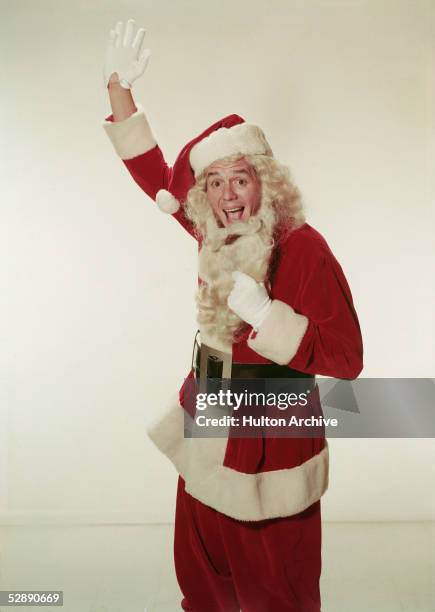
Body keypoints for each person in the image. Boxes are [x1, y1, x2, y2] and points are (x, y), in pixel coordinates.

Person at [102, 19, 363, 612]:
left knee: (276, 588)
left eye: (238, 179)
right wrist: (119, 92)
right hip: (207, 418)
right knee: (202, 580)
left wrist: (270, 318)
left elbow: (347, 358)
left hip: (272, 438)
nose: (225, 195)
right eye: (213, 182)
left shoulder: (304, 248)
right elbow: (155, 180)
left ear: (264, 184)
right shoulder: (214, 232)